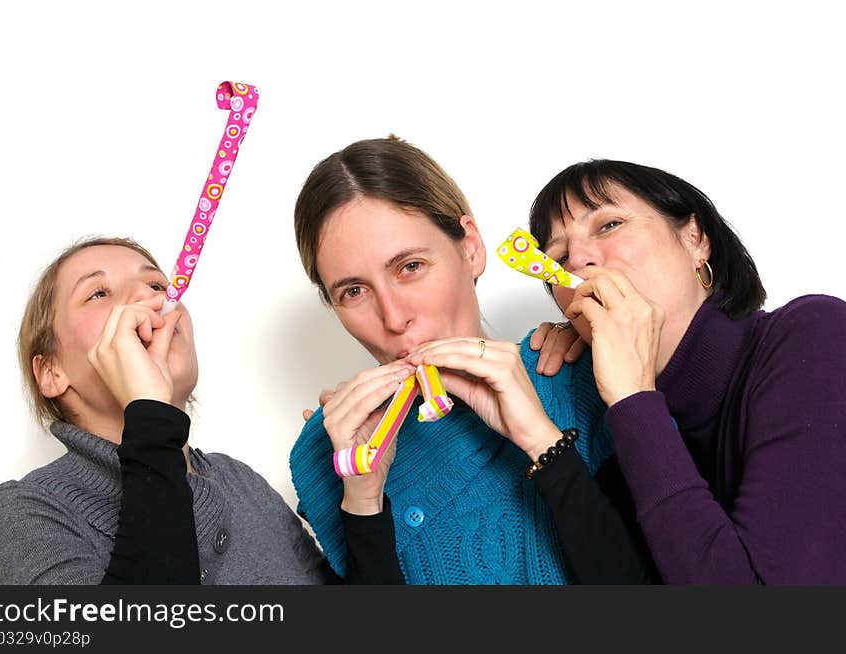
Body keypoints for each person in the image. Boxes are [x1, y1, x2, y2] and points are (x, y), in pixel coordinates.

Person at [290, 137, 658, 584]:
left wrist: (547, 445)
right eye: (353, 291)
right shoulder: (325, 456)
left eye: (410, 267)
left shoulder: (588, 377)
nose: (394, 317)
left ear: (470, 247)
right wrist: (363, 506)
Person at [0, 237, 387, 584]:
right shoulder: (21, 517)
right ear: (51, 372)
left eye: (156, 286)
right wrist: (148, 412)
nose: (151, 302)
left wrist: (363, 499)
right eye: (98, 293)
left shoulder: (241, 483)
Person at [524, 159, 846, 584]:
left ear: (696, 239)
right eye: (559, 256)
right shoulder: (611, 430)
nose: (578, 261)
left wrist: (633, 396)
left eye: (609, 225)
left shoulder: (815, 335)